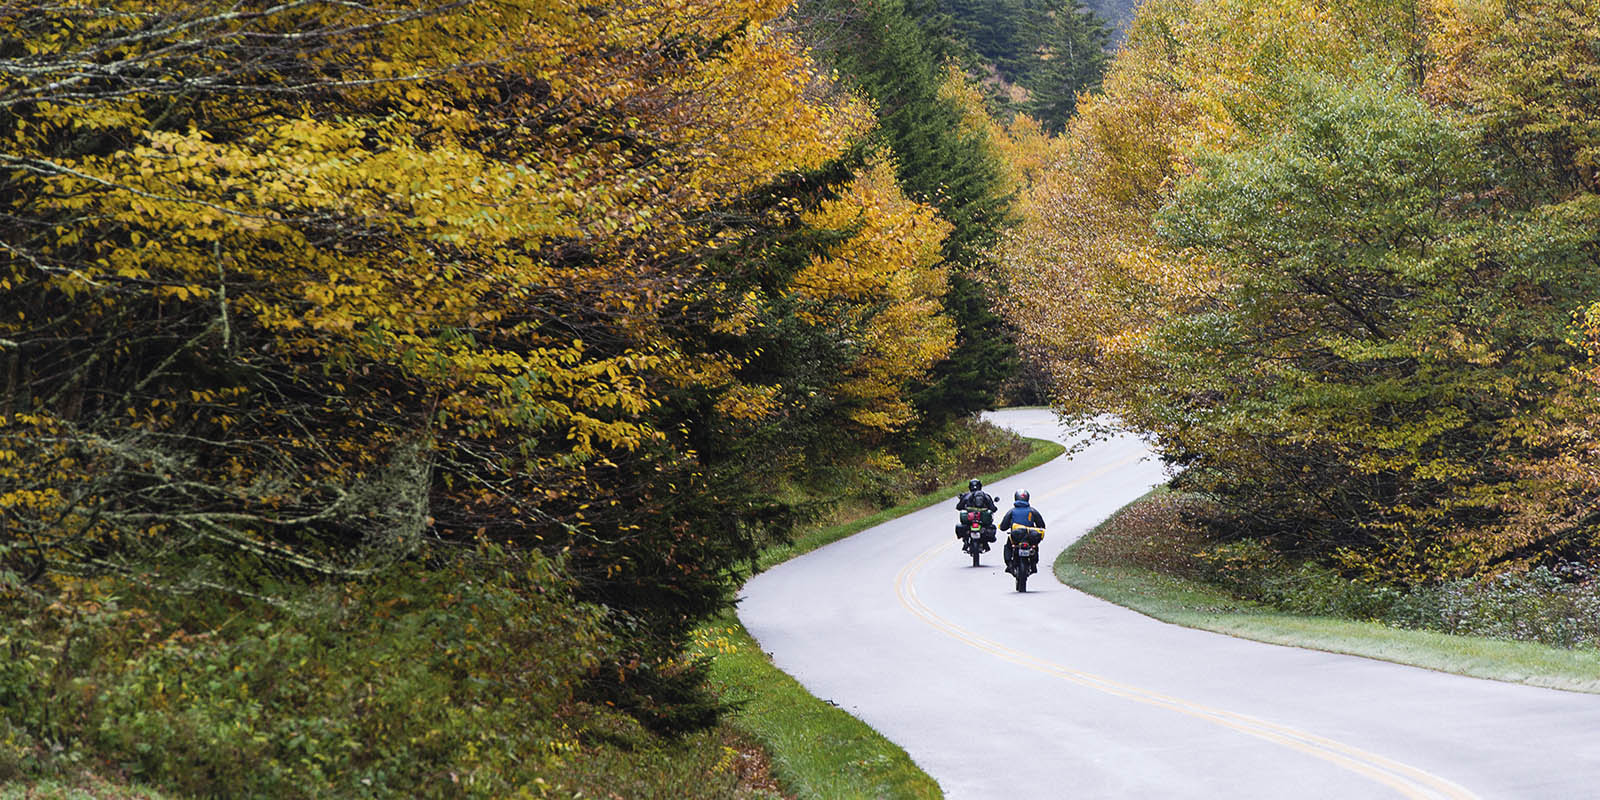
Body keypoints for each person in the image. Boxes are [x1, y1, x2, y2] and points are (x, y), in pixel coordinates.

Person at [999, 489, 1046, 575]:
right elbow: (1042, 525)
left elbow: (1003, 526)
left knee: (1008, 546)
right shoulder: (1032, 511)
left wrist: (1004, 527)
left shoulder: (1011, 511)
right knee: (1035, 546)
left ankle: (1009, 565)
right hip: (1030, 536)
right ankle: (1034, 564)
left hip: (1016, 536)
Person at [955, 479, 998, 545]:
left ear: (970, 487)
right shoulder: (986, 496)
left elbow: (958, 507)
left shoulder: (966, 496)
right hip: (982, 522)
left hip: (970, 521)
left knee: (963, 527)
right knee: (990, 527)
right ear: (980, 486)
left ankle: (966, 540)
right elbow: (993, 508)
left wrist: (965, 507)